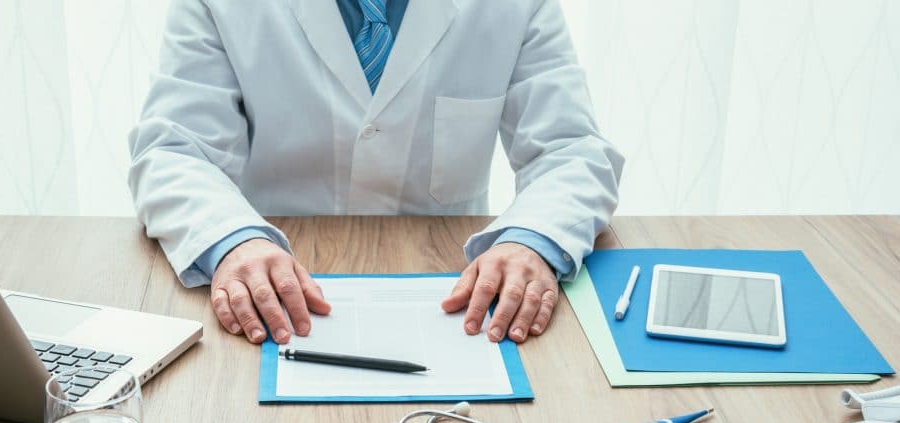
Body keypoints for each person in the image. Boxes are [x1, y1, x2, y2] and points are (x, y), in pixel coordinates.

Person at [129, 0, 622, 346]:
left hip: (456, 299)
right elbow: (174, 150)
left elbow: (571, 149)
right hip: (275, 290)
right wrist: (233, 241)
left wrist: (530, 240)